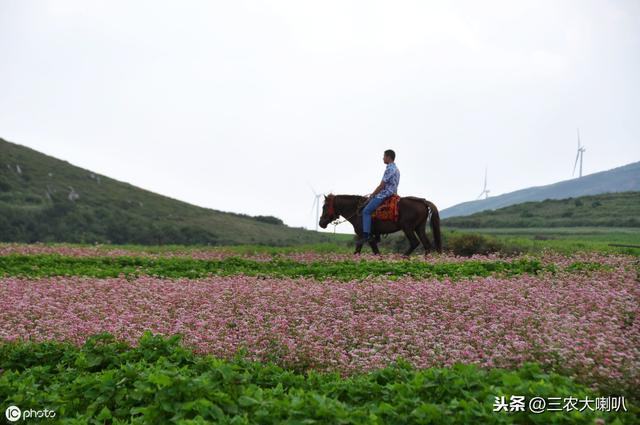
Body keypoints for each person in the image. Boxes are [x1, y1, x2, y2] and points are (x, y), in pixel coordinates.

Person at [358, 149, 400, 244]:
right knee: (375, 212)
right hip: (393, 193)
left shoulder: (389, 169)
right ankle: (377, 235)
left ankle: (366, 236)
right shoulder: (397, 169)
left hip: (385, 194)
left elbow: (382, 185)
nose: (383, 158)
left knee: (366, 211)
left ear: (388, 157)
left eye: (384, 156)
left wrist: (372, 195)